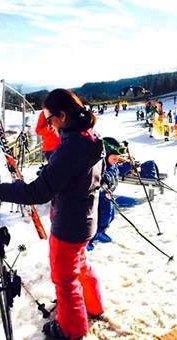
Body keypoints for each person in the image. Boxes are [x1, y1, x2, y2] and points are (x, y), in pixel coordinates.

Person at [0, 89, 104, 339]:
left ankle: (72, 330)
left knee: (65, 279)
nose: (50, 126)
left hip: (69, 224)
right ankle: (94, 306)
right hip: (85, 219)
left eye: (50, 120)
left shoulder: (72, 147)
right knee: (81, 267)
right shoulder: (87, 136)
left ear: (62, 115)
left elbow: (38, 192)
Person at [89, 138, 126, 251]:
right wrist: (104, 180)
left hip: (108, 196)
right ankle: (90, 238)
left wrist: (129, 166)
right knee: (100, 217)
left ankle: (100, 232)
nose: (116, 161)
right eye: (113, 158)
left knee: (110, 215)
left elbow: (118, 171)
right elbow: (99, 177)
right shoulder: (100, 167)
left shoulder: (113, 165)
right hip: (99, 197)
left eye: (117, 158)